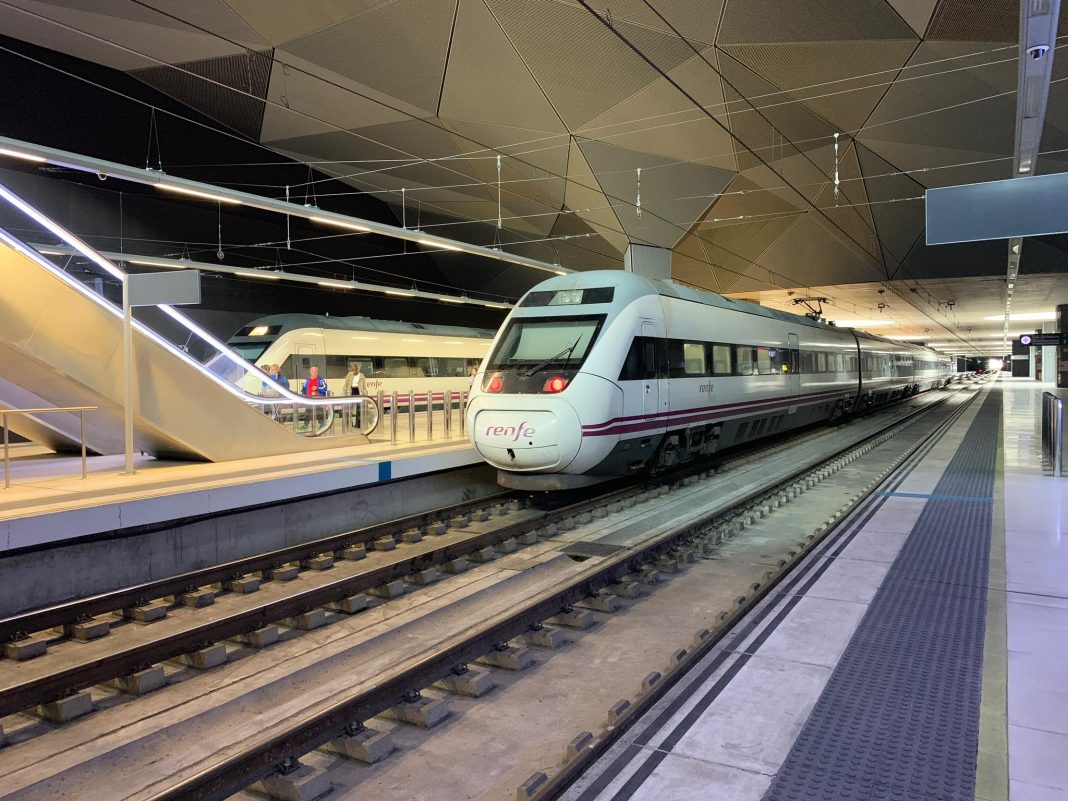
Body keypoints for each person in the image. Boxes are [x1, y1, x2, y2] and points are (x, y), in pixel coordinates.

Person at [300, 365, 328, 431]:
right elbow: (304, 388)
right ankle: (305, 425)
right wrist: (303, 394)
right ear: (310, 372)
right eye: (313, 371)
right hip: (309, 399)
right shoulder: (307, 379)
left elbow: (325, 388)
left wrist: (317, 388)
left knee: (320, 412)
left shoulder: (321, 380)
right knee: (308, 412)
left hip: (318, 399)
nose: (315, 373)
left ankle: (322, 425)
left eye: (316, 371)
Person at [342, 363, 368, 429]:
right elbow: (345, 384)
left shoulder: (361, 376)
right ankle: (349, 424)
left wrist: (364, 392)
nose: (354, 371)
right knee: (349, 407)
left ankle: (358, 424)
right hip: (351, 391)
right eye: (353, 369)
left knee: (359, 408)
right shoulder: (349, 375)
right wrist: (344, 391)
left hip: (358, 391)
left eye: (355, 369)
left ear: (357, 369)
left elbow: (364, 385)